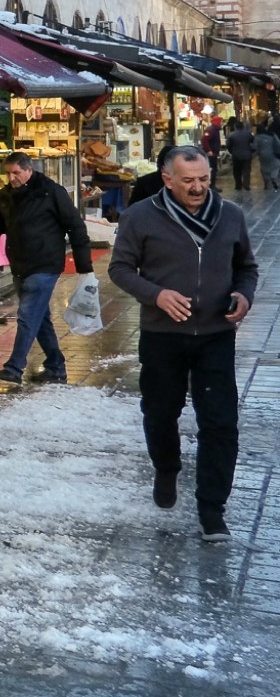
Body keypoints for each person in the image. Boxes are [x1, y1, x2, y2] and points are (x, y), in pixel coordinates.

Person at [106, 146, 256, 542]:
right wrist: (156, 295)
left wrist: (244, 296)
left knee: (220, 423)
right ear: (167, 179)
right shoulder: (140, 217)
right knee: (159, 412)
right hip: (163, 335)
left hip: (215, 337)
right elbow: (120, 269)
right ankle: (167, 468)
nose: (198, 188)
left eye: (204, 179)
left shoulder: (230, 215)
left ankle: (212, 509)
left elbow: (246, 268)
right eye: (188, 181)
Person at [0, 152, 93, 386]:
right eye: (8, 173)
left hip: (45, 264)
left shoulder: (51, 191)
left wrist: (84, 265)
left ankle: (14, 367)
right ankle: (56, 367)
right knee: (39, 317)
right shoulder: (6, 195)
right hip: (19, 264)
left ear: (28, 170)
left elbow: (75, 227)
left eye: (16, 172)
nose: (12, 177)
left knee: (26, 315)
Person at [225, 117, 255, 192]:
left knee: (237, 171)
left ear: (235, 127)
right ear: (243, 126)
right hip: (247, 155)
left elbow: (228, 145)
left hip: (236, 155)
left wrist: (232, 151)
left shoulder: (231, 135)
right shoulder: (248, 134)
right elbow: (253, 142)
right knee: (246, 170)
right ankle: (246, 185)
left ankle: (238, 185)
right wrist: (251, 150)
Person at [258, 120, 280, 191]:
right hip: (273, 154)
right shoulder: (273, 135)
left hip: (263, 155)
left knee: (264, 168)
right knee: (275, 167)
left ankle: (267, 182)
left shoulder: (259, 137)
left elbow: (254, 146)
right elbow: (278, 144)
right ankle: (273, 178)